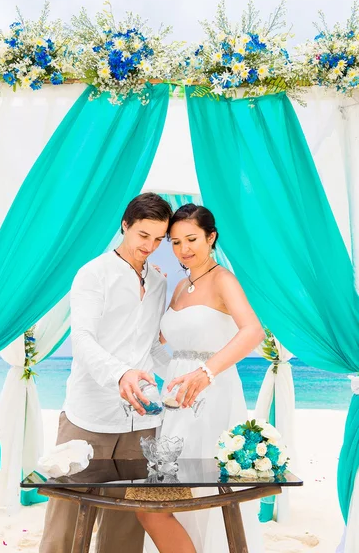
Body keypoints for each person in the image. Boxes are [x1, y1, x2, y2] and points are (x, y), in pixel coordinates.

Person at [126, 203, 265, 553]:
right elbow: (161, 351)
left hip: (212, 398)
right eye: (174, 242)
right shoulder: (179, 286)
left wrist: (206, 372)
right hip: (176, 406)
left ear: (211, 237)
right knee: (164, 501)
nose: (183, 249)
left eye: (191, 239)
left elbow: (252, 332)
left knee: (195, 495)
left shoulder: (223, 280)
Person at [39, 192, 173, 553]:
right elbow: (82, 340)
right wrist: (121, 374)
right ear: (125, 226)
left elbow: (152, 346)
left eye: (159, 239)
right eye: (143, 235)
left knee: (127, 525)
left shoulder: (159, 283)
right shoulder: (93, 274)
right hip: (89, 415)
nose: (150, 246)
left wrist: (182, 376)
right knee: (65, 524)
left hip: (141, 419)